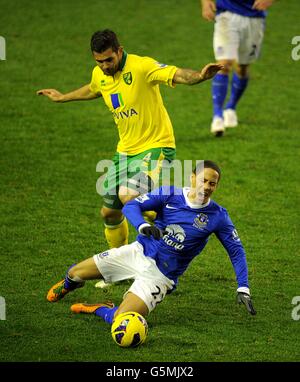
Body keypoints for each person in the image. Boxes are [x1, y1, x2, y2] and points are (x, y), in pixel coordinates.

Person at [37, 29, 223, 250]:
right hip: (125, 151)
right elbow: (95, 89)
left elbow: (177, 74)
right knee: (109, 212)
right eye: (99, 61)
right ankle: (117, 262)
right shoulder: (100, 74)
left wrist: (200, 77)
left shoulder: (141, 66)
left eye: (109, 59)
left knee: (128, 194)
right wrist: (63, 97)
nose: (105, 66)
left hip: (156, 146)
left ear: (119, 51)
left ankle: (176, 222)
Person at [46, 160, 256, 330]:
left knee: (122, 320)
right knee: (75, 272)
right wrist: (143, 226)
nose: (207, 187)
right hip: (137, 253)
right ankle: (69, 284)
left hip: (160, 276)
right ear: (193, 178)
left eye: (213, 183)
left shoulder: (218, 216)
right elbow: (131, 206)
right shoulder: (170, 194)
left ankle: (102, 308)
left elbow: (236, 251)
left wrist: (243, 287)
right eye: (204, 180)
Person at [200, 0, 275, 136]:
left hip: (254, 18)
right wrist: (205, 2)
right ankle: (217, 116)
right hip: (226, 15)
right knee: (224, 64)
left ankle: (231, 107)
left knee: (242, 68)